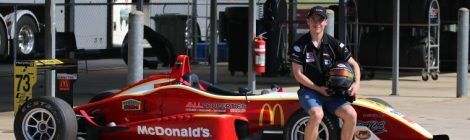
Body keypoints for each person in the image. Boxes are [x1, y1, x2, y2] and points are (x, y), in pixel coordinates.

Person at [289, 6, 361, 140]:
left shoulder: (334, 44)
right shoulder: (299, 45)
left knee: (351, 114)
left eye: (320, 20)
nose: (317, 23)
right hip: (309, 92)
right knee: (317, 114)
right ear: (308, 22)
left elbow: (354, 64)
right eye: (313, 20)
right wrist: (318, 89)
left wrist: (356, 84)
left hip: (332, 93)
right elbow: (298, 74)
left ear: (325, 22)